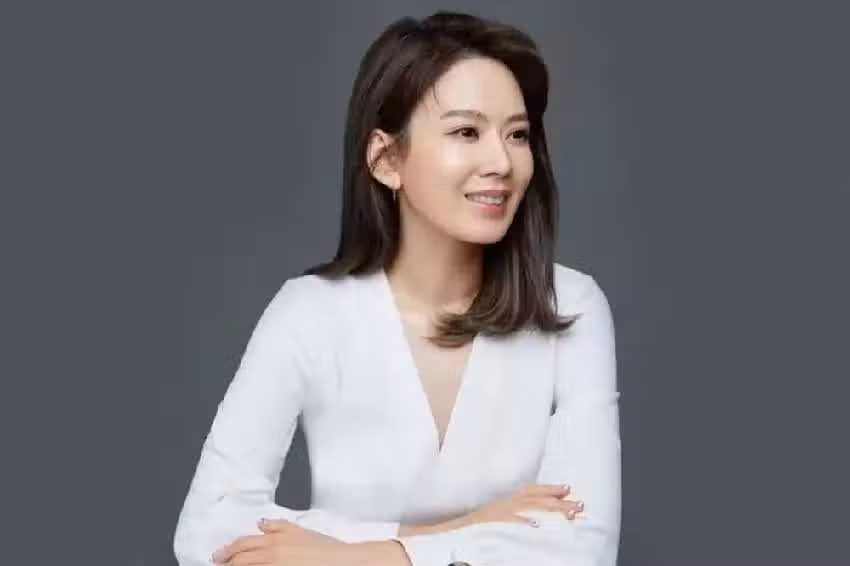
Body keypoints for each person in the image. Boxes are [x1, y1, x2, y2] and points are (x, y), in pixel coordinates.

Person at [173, 11, 620, 566]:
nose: (502, 162)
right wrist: (463, 531)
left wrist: (360, 556)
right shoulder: (310, 312)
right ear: (386, 160)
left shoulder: (570, 306)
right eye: (466, 132)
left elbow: (582, 550)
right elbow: (206, 529)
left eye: (517, 134)